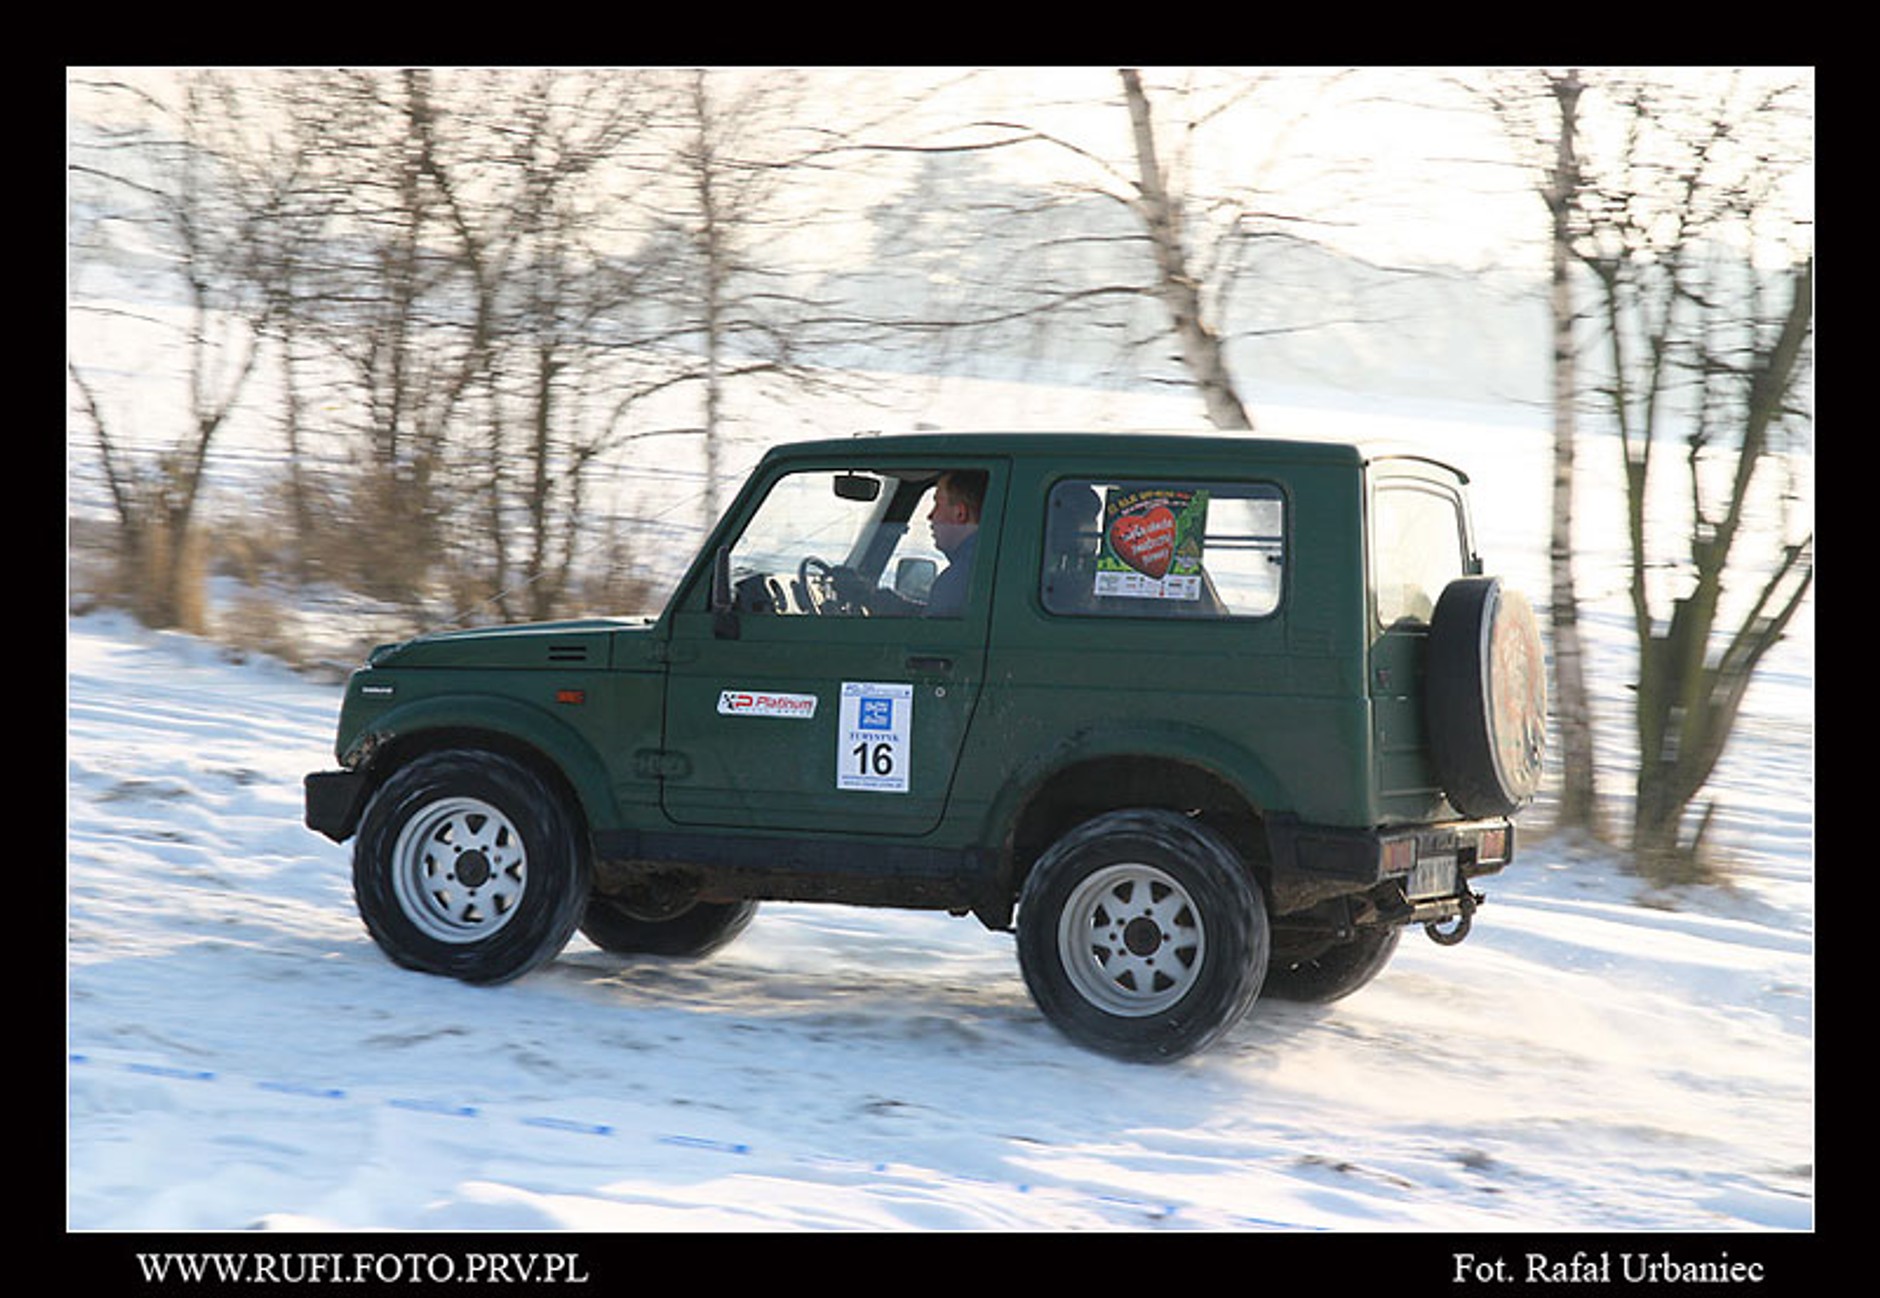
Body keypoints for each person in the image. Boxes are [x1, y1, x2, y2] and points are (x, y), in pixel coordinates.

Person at [834, 470, 985, 617]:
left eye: (937, 504)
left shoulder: (959, 581)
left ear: (960, 513)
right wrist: (871, 597)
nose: (930, 516)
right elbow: (930, 619)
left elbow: (926, 636)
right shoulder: (979, 568)